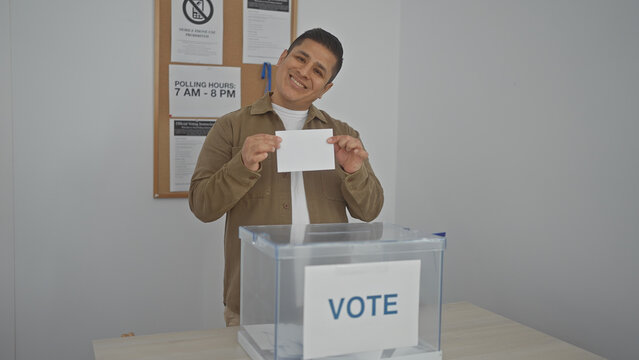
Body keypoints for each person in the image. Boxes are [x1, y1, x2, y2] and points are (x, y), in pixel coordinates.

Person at [189, 28, 384, 326]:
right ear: (282, 58)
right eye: (300, 58)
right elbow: (202, 206)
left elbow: (369, 211)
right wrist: (242, 164)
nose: (304, 72)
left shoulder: (343, 135)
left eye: (317, 71)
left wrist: (353, 170)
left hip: (329, 301)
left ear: (325, 88)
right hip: (255, 302)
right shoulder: (229, 128)